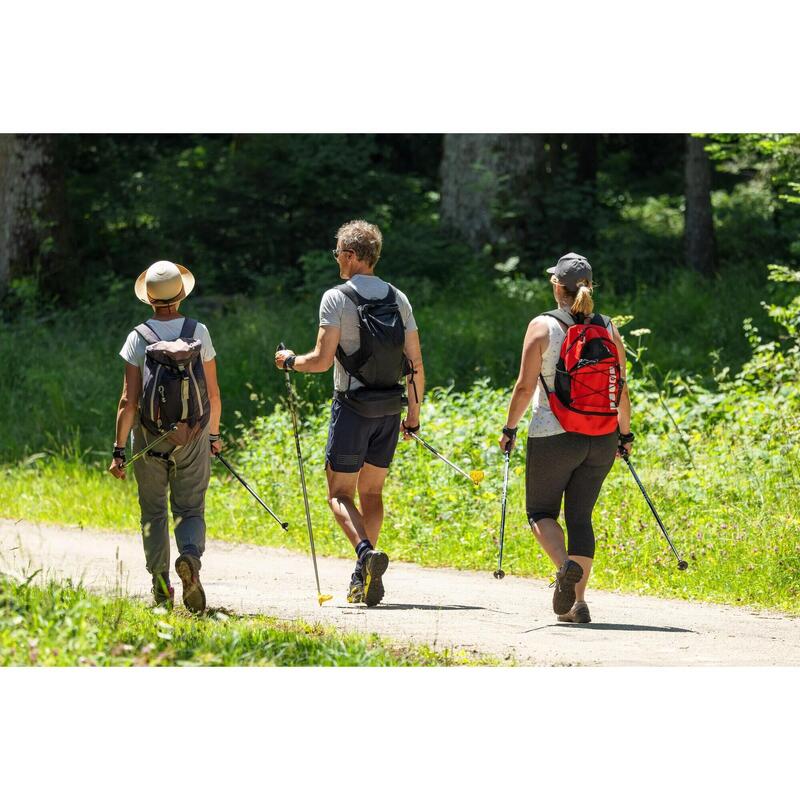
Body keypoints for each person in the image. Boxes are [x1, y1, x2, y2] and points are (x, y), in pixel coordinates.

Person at [275, 220, 424, 607]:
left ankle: (363, 554)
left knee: (338, 494)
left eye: (339, 252)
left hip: (353, 407)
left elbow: (322, 361)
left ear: (353, 255)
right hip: (391, 407)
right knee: (372, 491)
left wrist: (290, 361)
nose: (337, 259)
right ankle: (363, 573)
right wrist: (414, 414)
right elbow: (415, 362)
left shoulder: (336, 297)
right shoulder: (398, 298)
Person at [499, 253, 632, 623]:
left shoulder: (542, 326)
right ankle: (578, 603)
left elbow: (525, 386)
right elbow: (620, 388)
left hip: (553, 433)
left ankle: (565, 569)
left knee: (540, 512)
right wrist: (625, 434)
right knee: (581, 518)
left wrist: (509, 428)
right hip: (602, 436)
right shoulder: (609, 328)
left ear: (556, 285)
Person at [108, 260, 223, 613]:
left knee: (154, 513)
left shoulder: (137, 337)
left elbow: (129, 400)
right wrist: (213, 436)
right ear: (180, 294)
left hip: (150, 438)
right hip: (192, 435)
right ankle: (190, 559)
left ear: (150, 298)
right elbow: (213, 394)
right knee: (190, 508)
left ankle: (161, 590)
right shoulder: (198, 331)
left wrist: (118, 450)